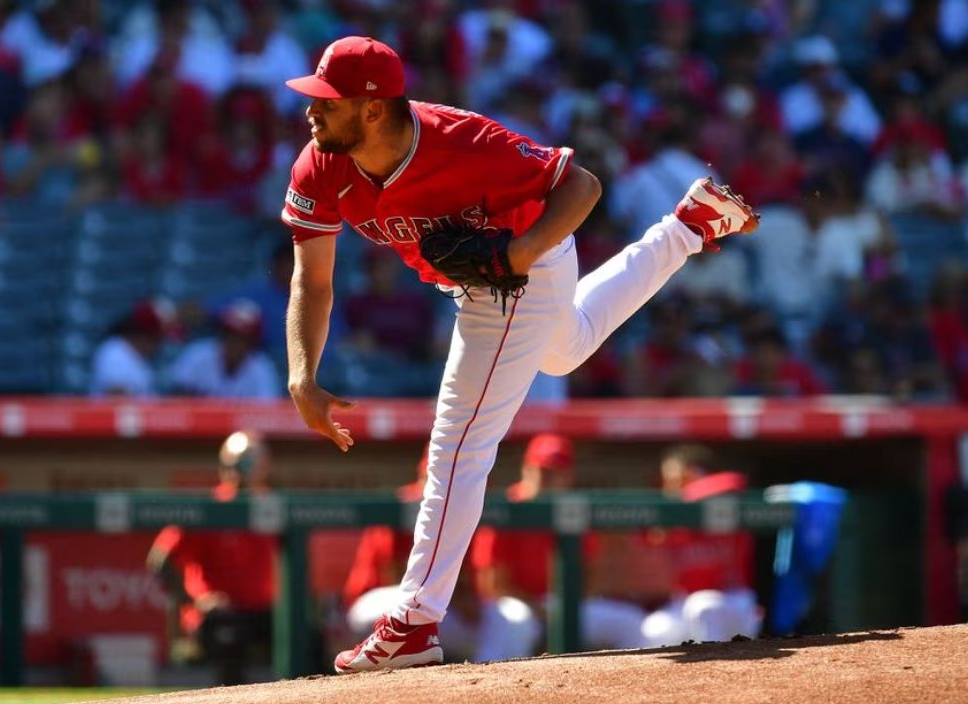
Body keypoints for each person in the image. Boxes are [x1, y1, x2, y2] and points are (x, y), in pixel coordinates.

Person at [279, 36, 759, 674]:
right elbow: (312, 280)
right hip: (488, 278)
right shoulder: (319, 164)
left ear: (372, 109)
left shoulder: (462, 140)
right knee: (566, 350)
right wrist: (302, 373)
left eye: (327, 102)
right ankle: (688, 225)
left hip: (514, 272)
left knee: (457, 442)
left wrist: (516, 255)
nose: (312, 112)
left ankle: (414, 621)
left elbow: (582, 187)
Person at [342, 447, 538, 663]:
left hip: (441, 608)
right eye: (435, 480)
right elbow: (396, 575)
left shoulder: (465, 509)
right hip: (382, 606)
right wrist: (455, 601)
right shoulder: (405, 503)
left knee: (511, 621)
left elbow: (478, 577)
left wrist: (465, 601)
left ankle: (486, 684)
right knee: (411, 609)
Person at [472, 433, 651, 653]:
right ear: (526, 470)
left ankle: (637, 687)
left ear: (568, 477)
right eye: (542, 471)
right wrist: (542, 613)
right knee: (517, 622)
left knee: (630, 622)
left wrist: (566, 609)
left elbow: (589, 576)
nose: (548, 479)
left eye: (556, 472)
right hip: (516, 604)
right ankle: (492, 685)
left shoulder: (572, 509)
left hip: (561, 604)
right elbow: (494, 586)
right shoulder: (508, 509)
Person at [147, 430, 278, 686]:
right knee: (229, 638)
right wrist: (195, 602)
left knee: (306, 640)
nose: (241, 473)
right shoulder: (210, 508)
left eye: (250, 464)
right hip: (218, 616)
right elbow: (159, 561)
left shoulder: (270, 506)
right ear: (224, 468)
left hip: (262, 612)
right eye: (237, 465)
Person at [637, 444, 763, 647]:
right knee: (653, 632)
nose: (672, 488)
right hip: (684, 605)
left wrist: (680, 504)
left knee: (704, 606)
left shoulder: (728, 498)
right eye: (669, 482)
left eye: (680, 480)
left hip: (734, 602)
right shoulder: (673, 521)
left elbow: (732, 483)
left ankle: (717, 675)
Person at [169, 300, 281, 399]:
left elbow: (268, 416)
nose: (234, 343)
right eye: (229, 335)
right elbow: (176, 399)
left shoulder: (262, 369)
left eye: (241, 338)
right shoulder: (197, 355)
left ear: (252, 343)